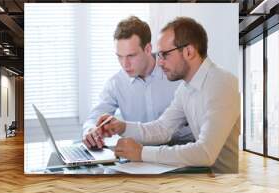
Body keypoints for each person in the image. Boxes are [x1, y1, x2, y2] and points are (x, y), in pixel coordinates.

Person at [96, 17, 240, 173]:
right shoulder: (185, 89)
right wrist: (122, 127)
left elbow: (205, 152)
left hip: (224, 185)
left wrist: (142, 153)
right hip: (203, 179)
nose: (159, 62)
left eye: (164, 54)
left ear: (188, 52)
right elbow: (163, 128)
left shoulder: (221, 83)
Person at [82, 16, 192, 149]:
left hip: (181, 153)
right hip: (139, 157)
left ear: (148, 49)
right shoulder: (116, 83)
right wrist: (90, 131)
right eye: (120, 57)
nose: (125, 64)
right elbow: (95, 116)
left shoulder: (177, 73)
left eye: (131, 56)